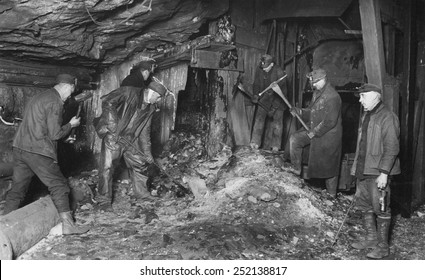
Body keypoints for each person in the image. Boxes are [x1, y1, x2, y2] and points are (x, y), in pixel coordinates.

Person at [3, 73, 90, 235]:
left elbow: (40, 127)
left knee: (17, 190)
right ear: (67, 86)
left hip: (21, 148)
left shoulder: (39, 97)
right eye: (71, 90)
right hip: (38, 151)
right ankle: (68, 226)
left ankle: (3, 226)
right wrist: (71, 125)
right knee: (60, 186)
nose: (70, 95)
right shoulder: (55, 102)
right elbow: (55, 134)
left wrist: (65, 136)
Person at [95, 60, 166, 206]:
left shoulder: (150, 109)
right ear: (152, 93)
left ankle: (142, 194)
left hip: (130, 139)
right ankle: (103, 199)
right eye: (158, 97)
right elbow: (107, 101)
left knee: (140, 163)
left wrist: (147, 153)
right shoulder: (129, 92)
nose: (158, 100)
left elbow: (145, 132)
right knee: (107, 167)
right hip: (113, 136)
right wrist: (113, 126)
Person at [350, 83, 400, 259]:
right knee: (365, 206)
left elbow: (392, 147)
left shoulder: (388, 117)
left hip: (378, 172)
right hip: (364, 169)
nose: (360, 100)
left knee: (381, 208)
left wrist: (384, 173)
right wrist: (356, 168)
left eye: (363, 96)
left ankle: (382, 247)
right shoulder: (367, 115)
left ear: (374, 96)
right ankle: (371, 239)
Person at [289, 68, 342, 198]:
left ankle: (331, 194)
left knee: (329, 165)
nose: (313, 85)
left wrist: (314, 132)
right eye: (313, 82)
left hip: (329, 136)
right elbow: (312, 111)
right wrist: (300, 112)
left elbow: (329, 121)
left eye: (316, 82)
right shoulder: (317, 93)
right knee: (295, 139)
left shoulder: (333, 97)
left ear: (324, 79)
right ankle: (296, 169)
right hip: (315, 130)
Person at [250, 54, 287, 151]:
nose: (264, 70)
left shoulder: (280, 72)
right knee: (259, 119)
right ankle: (255, 142)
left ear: (272, 64)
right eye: (263, 67)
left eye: (266, 68)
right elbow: (256, 83)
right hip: (265, 99)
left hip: (278, 101)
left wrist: (274, 108)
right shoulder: (260, 69)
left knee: (277, 124)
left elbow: (283, 93)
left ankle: (276, 146)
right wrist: (255, 95)